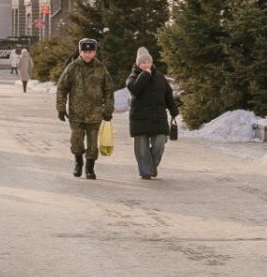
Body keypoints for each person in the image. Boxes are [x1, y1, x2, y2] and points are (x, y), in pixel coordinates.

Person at [56, 37, 114, 180]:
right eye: (85, 51)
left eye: (91, 51)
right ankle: (78, 162)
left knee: (93, 143)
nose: (88, 54)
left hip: (95, 113)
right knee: (76, 140)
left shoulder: (101, 69)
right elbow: (62, 88)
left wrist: (108, 109)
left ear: (95, 52)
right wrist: (61, 108)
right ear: (80, 52)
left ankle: (89, 167)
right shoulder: (72, 68)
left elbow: (108, 90)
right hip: (76, 113)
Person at [125, 47, 179, 180]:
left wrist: (173, 111)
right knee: (142, 148)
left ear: (152, 62)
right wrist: (145, 75)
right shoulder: (132, 78)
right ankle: (146, 171)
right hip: (140, 118)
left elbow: (168, 95)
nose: (146, 65)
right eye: (143, 63)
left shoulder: (160, 78)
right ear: (138, 64)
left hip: (158, 117)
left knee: (160, 143)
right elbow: (135, 89)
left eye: (148, 62)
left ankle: (151, 166)